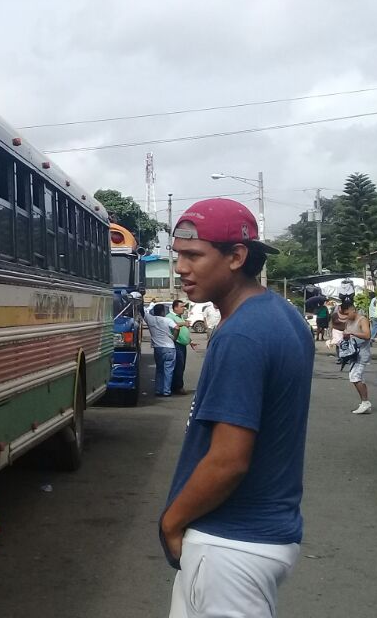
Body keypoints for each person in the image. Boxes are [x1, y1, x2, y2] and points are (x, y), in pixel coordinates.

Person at [160, 198, 310, 618]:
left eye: (193, 255)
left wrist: (171, 522)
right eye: (178, 256)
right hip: (258, 539)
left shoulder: (241, 334)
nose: (180, 268)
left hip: (231, 546)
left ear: (236, 257)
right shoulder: (283, 315)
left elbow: (229, 461)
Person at [333, 300, 373, 415]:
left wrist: (352, 334)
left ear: (352, 310)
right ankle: (365, 403)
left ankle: (365, 402)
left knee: (354, 376)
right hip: (352, 353)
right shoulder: (348, 322)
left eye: (346, 314)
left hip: (362, 353)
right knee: (359, 377)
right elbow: (347, 334)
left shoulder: (362, 320)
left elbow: (367, 335)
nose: (345, 317)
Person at [146, 303, 178, 397]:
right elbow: (177, 328)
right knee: (168, 370)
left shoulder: (150, 319)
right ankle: (166, 391)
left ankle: (158, 390)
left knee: (159, 369)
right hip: (170, 347)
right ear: (163, 312)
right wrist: (174, 338)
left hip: (158, 348)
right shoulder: (167, 320)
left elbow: (141, 311)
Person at [170, 300, 197, 396]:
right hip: (176, 344)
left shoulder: (180, 317)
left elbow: (183, 332)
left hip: (183, 344)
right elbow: (173, 325)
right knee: (179, 366)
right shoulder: (170, 317)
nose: (184, 308)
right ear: (175, 307)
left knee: (181, 366)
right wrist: (183, 323)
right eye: (181, 306)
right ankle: (178, 387)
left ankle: (177, 386)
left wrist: (189, 341)